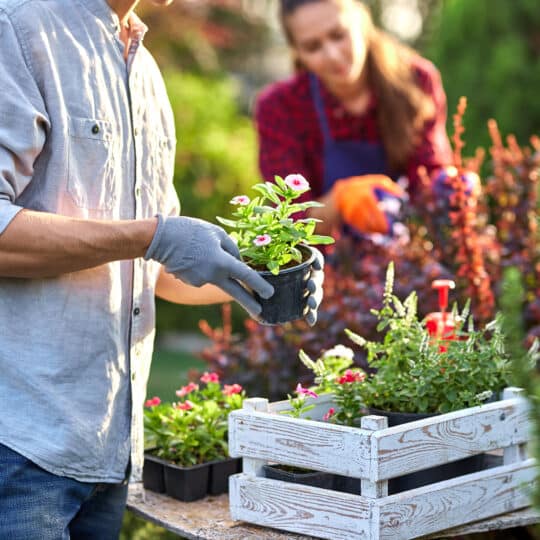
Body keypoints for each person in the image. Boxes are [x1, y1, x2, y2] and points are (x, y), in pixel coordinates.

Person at [0, 0, 323, 537]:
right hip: (19, 448)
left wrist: (258, 281)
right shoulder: (18, 29)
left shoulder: (144, 72)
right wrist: (152, 236)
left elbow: (154, 271)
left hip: (105, 454)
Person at [255, 0, 453, 237]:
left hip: (407, 250)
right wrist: (338, 201)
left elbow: (428, 177)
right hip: (328, 264)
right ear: (297, 52)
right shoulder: (279, 107)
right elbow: (289, 223)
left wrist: (450, 187)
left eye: (339, 35)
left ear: (362, 21)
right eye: (312, 47)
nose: (333, 55)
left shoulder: (416, 81)